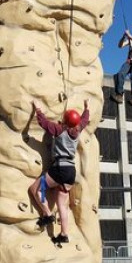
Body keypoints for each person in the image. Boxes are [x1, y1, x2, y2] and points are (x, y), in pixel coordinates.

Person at [28, 99, 90, 245]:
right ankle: (64, 234)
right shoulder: (78, 129)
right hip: (70, 172)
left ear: (65, 121)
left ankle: (47, 214)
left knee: (36, 190)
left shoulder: (59, 130)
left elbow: (44, 123)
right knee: (62, 204)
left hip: (59, 168)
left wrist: (38, 109)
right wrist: (87, 108)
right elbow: (84, 120)